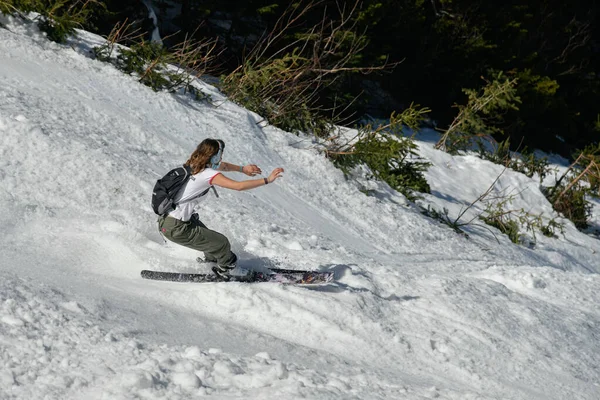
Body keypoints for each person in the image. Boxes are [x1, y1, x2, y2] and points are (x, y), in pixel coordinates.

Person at [158, 138, 284, 278]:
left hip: (168, 221)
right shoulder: (207, 174)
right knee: (222, 243)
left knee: (210, 238)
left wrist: (243, 169)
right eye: (220, 154)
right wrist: (268, 180)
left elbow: (222, 166)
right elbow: (238, 186)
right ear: (214, 155)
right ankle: (227, 269)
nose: (221, 158)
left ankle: (211, 262)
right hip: (177, 227)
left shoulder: (194, 165)